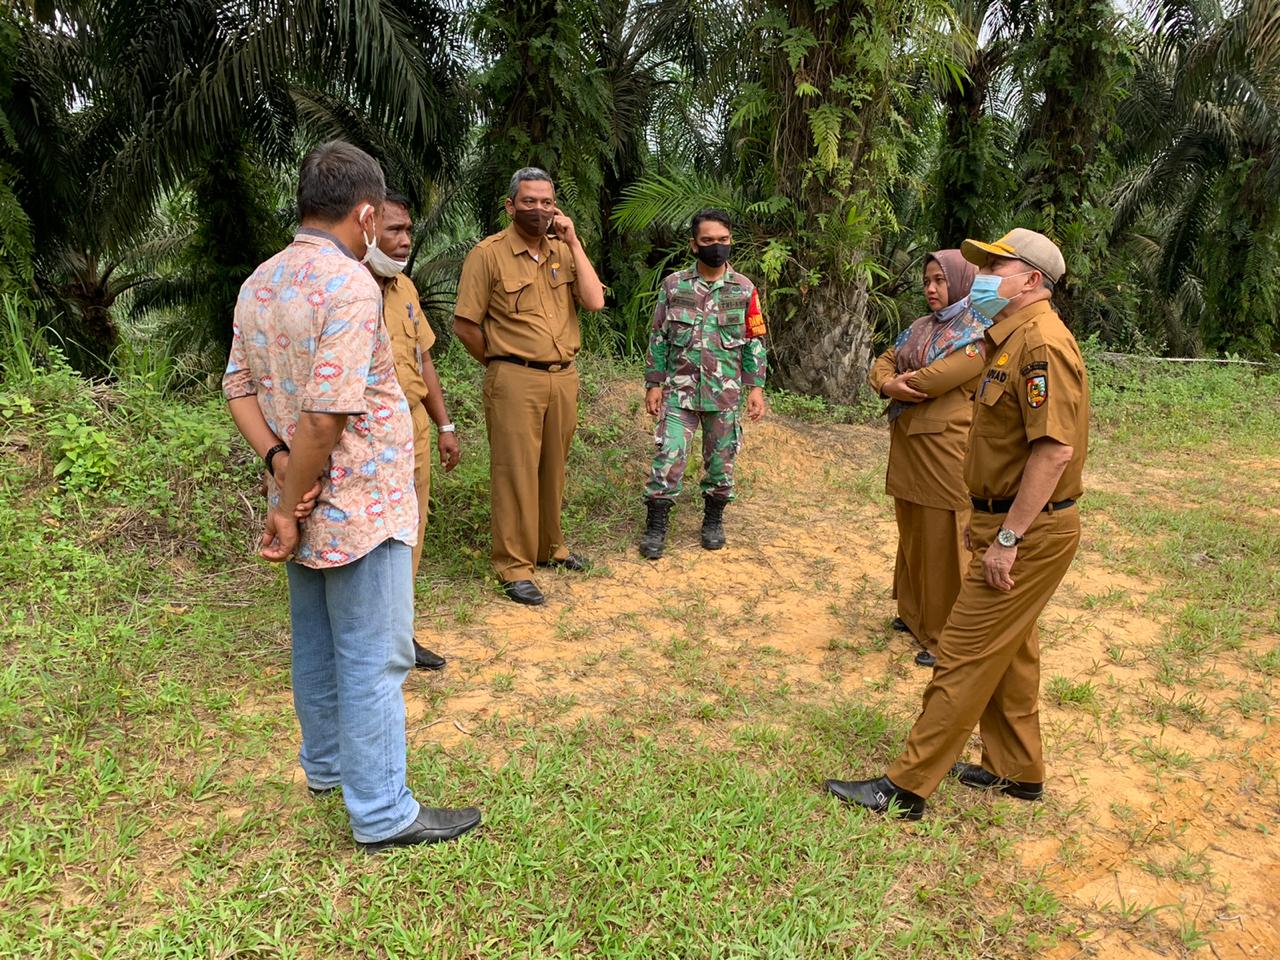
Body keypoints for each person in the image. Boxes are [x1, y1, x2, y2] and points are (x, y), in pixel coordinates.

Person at [223, 141, 480, 851]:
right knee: (374, 657)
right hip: (359, 509)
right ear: (365, 213)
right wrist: (288, 495)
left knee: (317, 648)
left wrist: (281, 473)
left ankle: (328, 768)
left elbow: (239, 388)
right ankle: (383, 812)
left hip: (305, 511)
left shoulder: (260, 283)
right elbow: (328, 414)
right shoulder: (350, 286)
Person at [825, 228, 1087, 820]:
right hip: (1010, 520)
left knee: (963, 650)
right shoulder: (1009, 338)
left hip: (1028, 528)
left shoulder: (1039, 345)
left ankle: (907, 786)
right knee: (1012, 650)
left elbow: (1053, 453)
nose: (985, 277)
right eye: (984, 266)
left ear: (1032, 282)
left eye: (998, 266)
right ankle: (1017, 770)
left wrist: (1008, 540)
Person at [452, 167, 606, 605]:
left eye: (546, 202)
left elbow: (594, 301)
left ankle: (549, 548)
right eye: (529, 202)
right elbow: (465, 324)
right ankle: (513, 565)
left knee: (552, 467)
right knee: (514, 471)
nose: (538, 210)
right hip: (514, 376)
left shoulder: (563, 250)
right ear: (510, 205)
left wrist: (574, 240)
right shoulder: (489, 254)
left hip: (563, 376)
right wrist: (501, 361)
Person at [867, 251, 986, 668]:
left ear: (962, 281)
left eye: (940, 280)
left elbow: (936, 380)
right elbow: (880, 362)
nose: (931, 289)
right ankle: (915, 616)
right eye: (927, 281)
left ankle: (946, 636)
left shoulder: (977, 333)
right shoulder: (919, 328)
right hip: (909, 444)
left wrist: (897, 382)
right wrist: (888, 384)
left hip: (944, 451)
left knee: (946, 539)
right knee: (913, 529)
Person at [366, 190, 460, 671]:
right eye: (394, 230)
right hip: (365, 435)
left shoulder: (405, 289)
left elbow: (424, 360)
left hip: (414, 426)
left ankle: (399, 635)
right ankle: (368, 638)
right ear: (366, 228)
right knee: (369, 535)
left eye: (408, 230)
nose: (405, 241)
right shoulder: (345, 287)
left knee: (412, 529)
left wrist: (444, 424)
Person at [638, 209, 767, 559]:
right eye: (708, 241)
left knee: (721, 461)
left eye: (722, 241)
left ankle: (713, 521)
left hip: (724, 395)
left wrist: (755, 387)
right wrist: (654, 383)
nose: (716, 247)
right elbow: (660, 337)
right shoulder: (674, 285)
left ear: (731, 242)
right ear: (694, 245)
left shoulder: (743, 289)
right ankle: (656, 525)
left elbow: (754, 340)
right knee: (668, 455)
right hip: (679, 392)